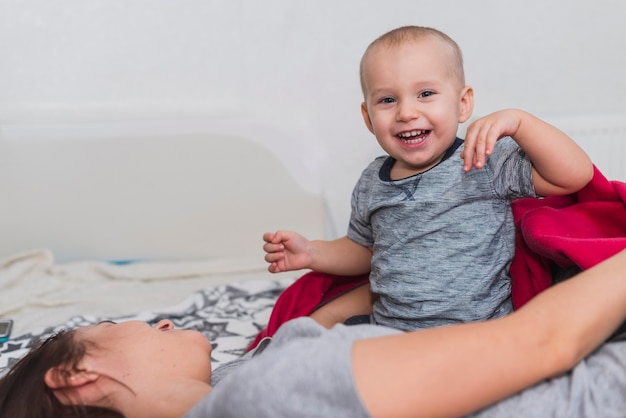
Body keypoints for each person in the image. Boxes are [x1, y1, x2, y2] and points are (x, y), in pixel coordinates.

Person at [1, 249, 626, 417]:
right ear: (75, 377)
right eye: (117, 321)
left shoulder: (248, 378)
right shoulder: (266, 396)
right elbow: (545, 342)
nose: (161, 319)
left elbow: (319, 321)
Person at [263, 26, 594, 331]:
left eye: (425, 94)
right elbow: (365, 250)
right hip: (389, 333)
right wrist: (311, 252)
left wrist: (521, 123)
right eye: (387, 100)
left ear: (462, 104)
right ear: (368, 117)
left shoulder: (485, 160)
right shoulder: (372, 181)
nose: (406, 112)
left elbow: (574, 176)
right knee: (312, 337)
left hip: (477, 335)